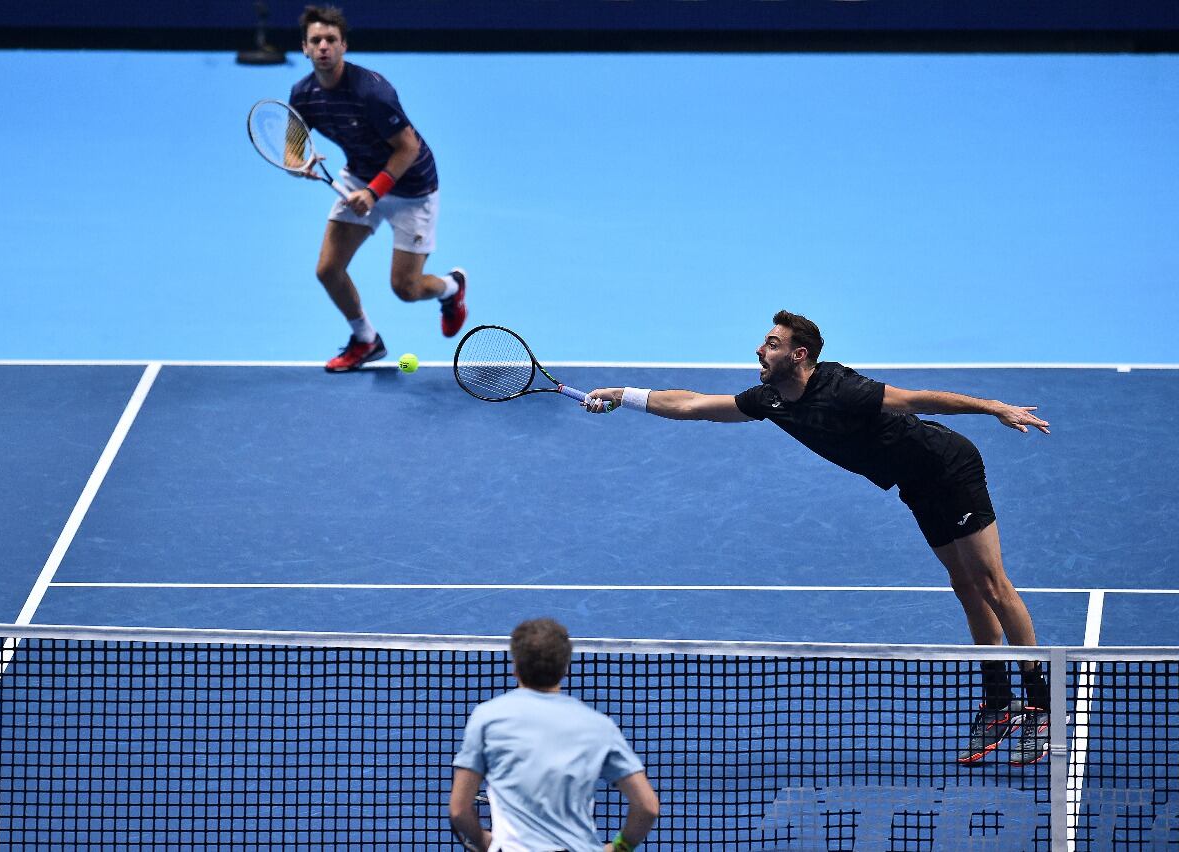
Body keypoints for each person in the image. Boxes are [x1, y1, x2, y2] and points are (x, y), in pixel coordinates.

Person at [584, 310, 1053, 767]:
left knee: (992, 585)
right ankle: (998, 702)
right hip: (915, 485)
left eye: (772, 343)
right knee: (965, 587)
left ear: (799, 354)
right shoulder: (770, 400)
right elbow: (691, 404)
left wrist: (995, 408)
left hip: (950, 469)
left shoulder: (841, 387)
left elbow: (916, 401)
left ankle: (1039, 707)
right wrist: (621, 394)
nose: (759, 349)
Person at [290, 5, 467, 372]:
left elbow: (408, 148)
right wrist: (299, 165)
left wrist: (373, 193)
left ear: (344, 46)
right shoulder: (303, 95)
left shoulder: (372, 92)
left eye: (331, 40)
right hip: (360, 174)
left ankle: (451, 288)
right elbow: (292, 149)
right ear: (305, 48)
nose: (323, 46)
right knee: (328, 270)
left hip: (411, 187)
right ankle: (366, 340)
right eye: (316, 40)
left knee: (406, 289)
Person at [449, 618, 659, 852]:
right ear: (565, 668)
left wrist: (484, 842)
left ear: (515, 667)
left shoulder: (487, 718)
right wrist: (618, 848)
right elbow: (647, 806)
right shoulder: (598, 726)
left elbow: (459, 809)